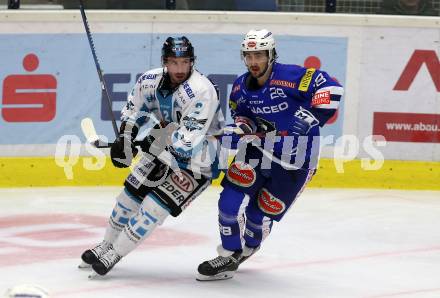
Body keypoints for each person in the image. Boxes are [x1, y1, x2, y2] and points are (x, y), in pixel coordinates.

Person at [197, 29, 344, 281]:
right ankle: (229, 253)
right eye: (249, 56)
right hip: (257, 150)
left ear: (271, 54)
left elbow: (334, 88)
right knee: (228, 203)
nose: (254, 62)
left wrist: (312, 117)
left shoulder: (293, 76)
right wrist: (239, 129)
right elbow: (245, 119)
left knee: (257, 214)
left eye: (260, 55)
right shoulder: (240, 88)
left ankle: (250, 245)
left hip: (296, 161)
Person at [79, 36, 224, 277]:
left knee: (152, 208)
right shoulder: (150, 80)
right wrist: (126, 138)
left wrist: (149, 140)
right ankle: (105, 244)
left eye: (185, 62)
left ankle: (115, 253)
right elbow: (134, 110)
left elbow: (187, 141)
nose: (180, 69)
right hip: (162, 146)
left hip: (199, 161)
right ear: (165, 62)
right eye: (174, 62)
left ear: (192, 62)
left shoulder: (202, 90)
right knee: (128, 198)